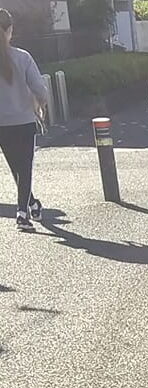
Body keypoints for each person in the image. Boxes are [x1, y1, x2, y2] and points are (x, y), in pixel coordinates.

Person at [0, 8, 50, 232]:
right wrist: (42, 105)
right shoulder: (22, 57)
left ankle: (31, 203)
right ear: (10, 30)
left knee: (16, 167)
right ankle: (22, 214)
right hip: (22, 120)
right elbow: (40, 88)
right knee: (25, 166)